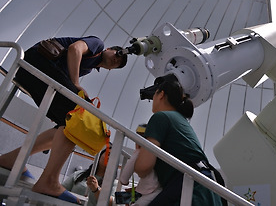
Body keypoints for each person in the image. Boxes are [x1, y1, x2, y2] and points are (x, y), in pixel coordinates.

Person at [0, 36, 128, 204]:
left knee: (67, 122)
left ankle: (13, 159)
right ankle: (49, 180)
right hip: (38, 62)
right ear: (109, 48)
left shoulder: (87, 68)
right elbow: (75, 49)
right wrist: (75, 84)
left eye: (117, 63)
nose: (115, 60)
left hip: (37, 74)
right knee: (77, 118)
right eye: (117, 54)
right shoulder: (97, 44)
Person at [134, 74, 223, 206]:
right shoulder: (181, 121)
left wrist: (139, 154)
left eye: (154, 94)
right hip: (207, 192)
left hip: (190, 192)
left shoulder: (160, 117)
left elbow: (143, 167)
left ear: (161, 94)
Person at [119, 124, 162, 205]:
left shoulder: (139, 152)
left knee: (119, 201)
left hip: (149, 192)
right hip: (149, 189)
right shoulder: (159, 153)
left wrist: (124, 181)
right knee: (119, 199)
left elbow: (124, 176)